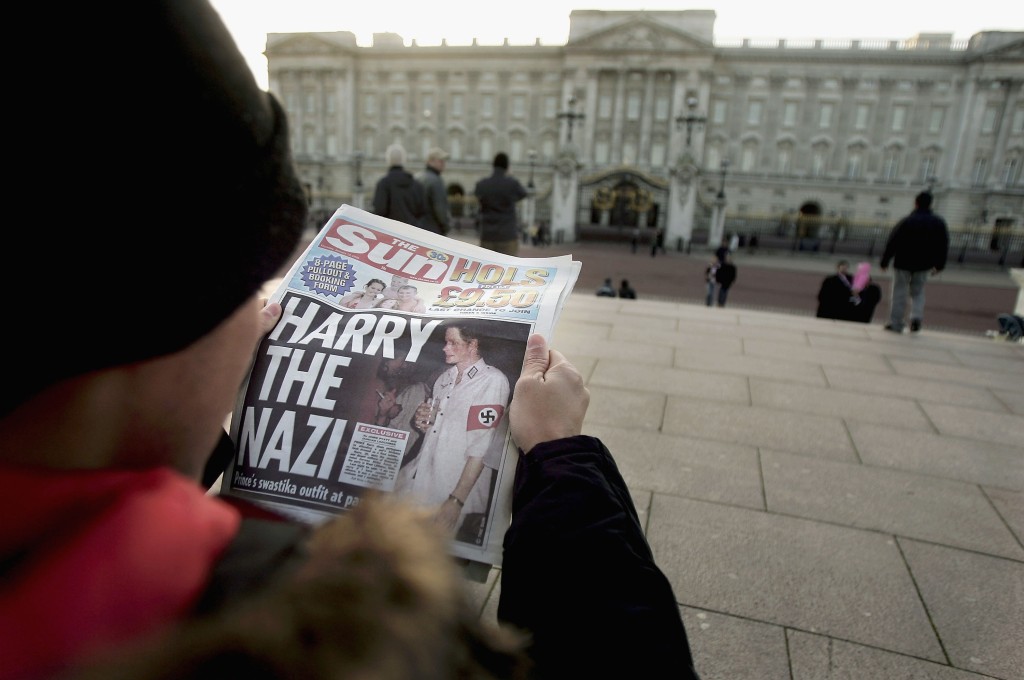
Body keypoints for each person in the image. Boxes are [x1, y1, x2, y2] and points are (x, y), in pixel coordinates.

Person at [4, 4, 701, 677]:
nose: (264, 315)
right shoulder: (322, 635)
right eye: (252, 289)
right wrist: (561, 461)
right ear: (152, 333)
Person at [394, 322, 511, 543]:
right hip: (418, 481)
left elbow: (481, 447)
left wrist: (456, 500)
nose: (445, 348)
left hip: (452, 490)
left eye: (453, 343)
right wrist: (421, 423)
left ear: (472, 345)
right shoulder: (444, 379)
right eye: (445, 342)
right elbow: (437, 430)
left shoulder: (492, 381)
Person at [880, 191, 950, 333]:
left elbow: (892, 241)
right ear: (931, 204)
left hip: (903, 262)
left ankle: (896, 323)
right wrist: (940, 265)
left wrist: (885, 261)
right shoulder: (938, 223)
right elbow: (943, 244)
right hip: (924, 263)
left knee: (899, 292)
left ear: (916, 203)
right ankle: (916, 317)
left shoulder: (906, 221)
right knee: (918, 292)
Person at [370, 353, 431, 467]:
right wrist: (384, 415)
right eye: (403, 361)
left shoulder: (389, 383)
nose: (404, 366)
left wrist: (386, 414)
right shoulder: (375, 381)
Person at [474, 152, 528, 255]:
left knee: (487, 268)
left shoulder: (482, 184)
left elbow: (478, 196)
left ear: (493, 166)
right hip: (507, 235)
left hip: (487, 235)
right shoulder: (512, 183)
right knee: (507, 268)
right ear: (507, 166)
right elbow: (523, 194)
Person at [372, 143, 428, 229]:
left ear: (388, 160)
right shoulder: (416, 184)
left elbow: (379, 211)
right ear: (404, 160)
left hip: (390, 231)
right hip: (411, 231)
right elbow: (423, 212)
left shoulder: (383, 183)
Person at [416, 146, 451, 236]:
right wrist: (446, 226)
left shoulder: (417, 177)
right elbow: (440, 209)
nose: (444, 164)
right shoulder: (436, 181)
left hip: (417, 228)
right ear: (431, 161)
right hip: (433, 229)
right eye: (440, 161)